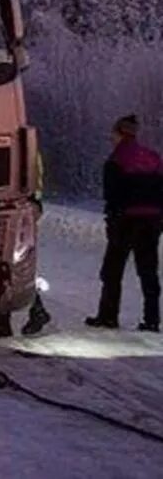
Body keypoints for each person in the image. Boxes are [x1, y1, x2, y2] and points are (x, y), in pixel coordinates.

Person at [86, 114, 163, 332]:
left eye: (114, 133)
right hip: (152, 220)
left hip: (126, 221)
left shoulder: (116, 159)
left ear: (120, 133)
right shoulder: (154, 157)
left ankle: (108, 316)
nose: (111, 137)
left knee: (112, 269)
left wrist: (112, 220)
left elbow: (112, 195)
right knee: (148, 270)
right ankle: (152, 319)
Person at [0, 144, 51, 338]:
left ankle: (33, 311)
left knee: (9, 265)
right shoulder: (26, 146)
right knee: (8, 264)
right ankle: (6, 321)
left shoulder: (15, 149)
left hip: (18, 210)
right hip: (23, 208)